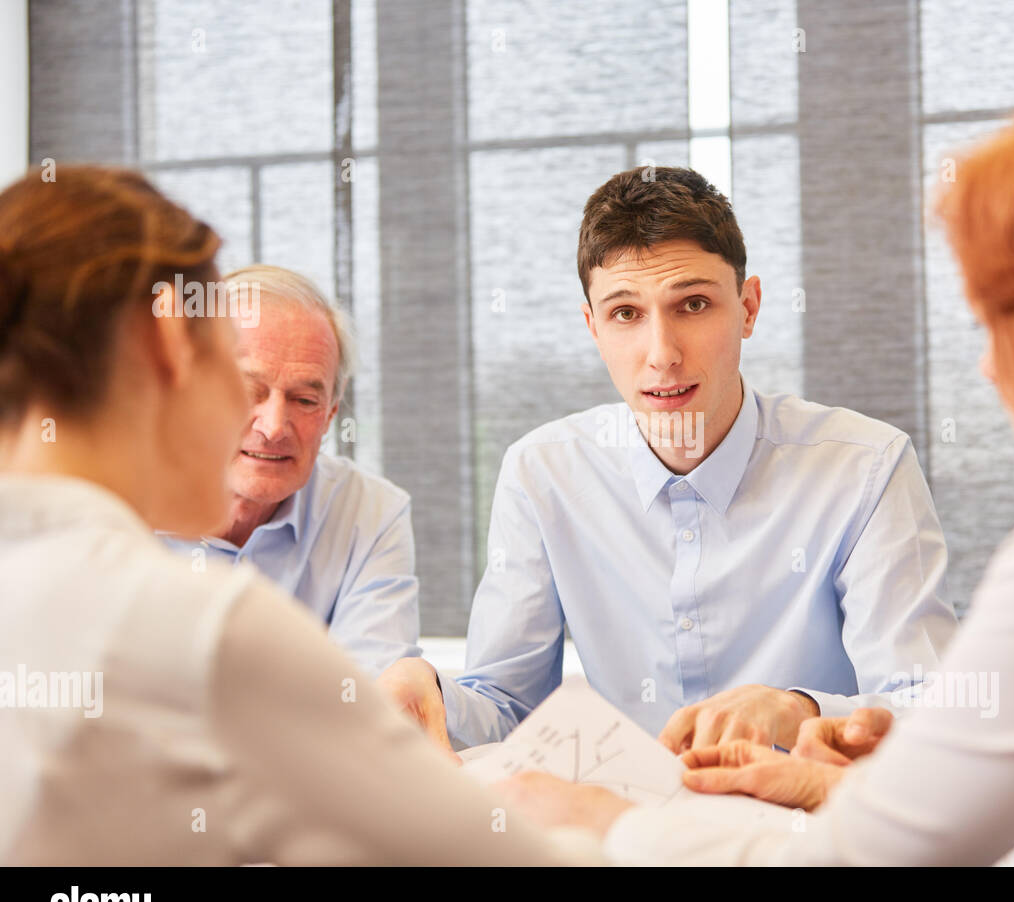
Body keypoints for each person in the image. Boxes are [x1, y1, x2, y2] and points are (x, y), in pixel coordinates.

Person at [495, 71, 1014, 865]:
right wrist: (835, 788)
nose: (987, 367)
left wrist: (607, 825)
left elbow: (872, 857)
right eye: (626, 314)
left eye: (999, 318)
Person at [0, 166, 591, 864]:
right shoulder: (200, 621)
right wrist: (608, 821)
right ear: (169, 351)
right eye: (239, 376)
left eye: (305, 399)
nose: (267, 426)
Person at [428, 166, 956, 751]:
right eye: (625, 314)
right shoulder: (541, 474)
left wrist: (795, 711)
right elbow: (508, 711)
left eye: (694, 304)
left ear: (749, 308)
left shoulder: (866, 469)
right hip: (625, 826)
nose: (662, 355)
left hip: (801, 824)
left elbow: (925, 708)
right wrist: (426, 693)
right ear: (594, 328)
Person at [156, 265, 449, 747]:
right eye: (250, 390)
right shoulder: (117, 499)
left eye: (305, 399)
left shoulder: (371, 513)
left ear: (331, 413)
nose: (274, 425)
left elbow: (369, 712)